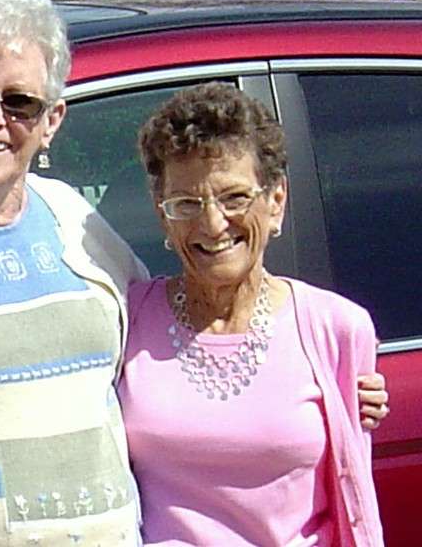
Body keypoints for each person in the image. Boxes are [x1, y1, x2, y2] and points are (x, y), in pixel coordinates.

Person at [0, 0, 387, 546]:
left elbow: (174, 337)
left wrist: (335, 384)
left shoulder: (76, 225)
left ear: (51, 122)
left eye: (20, 102)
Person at [119, 82, 384, 546]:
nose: (212, 224)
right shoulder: (127, 321)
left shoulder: (336, 329)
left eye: (234, 197)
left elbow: (354, 498)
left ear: (276, 200)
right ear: (162, 215)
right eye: (186, 204)